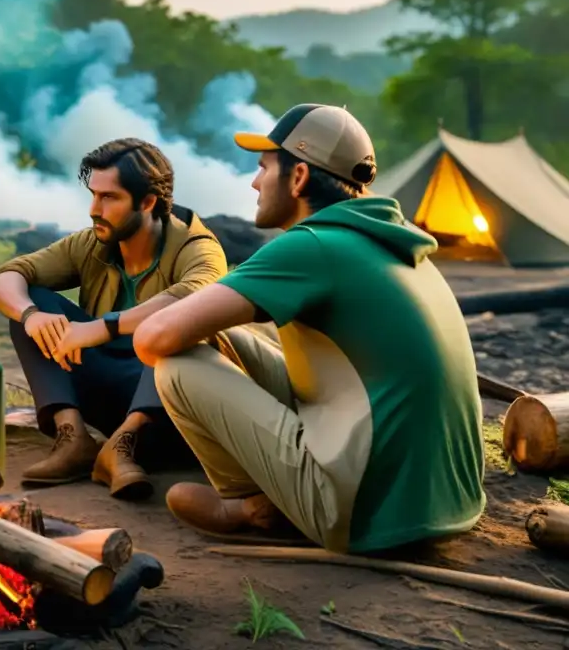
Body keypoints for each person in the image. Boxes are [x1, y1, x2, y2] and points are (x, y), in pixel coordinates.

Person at [134, 103, 486, 554]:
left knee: (175, 365)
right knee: (226, 337)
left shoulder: (310, 246)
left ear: (298, 177)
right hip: (438, 502)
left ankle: (256, 505)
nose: (255, 182)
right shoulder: (391, 244)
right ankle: (280, 492)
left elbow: (151, 339)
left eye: (263, 168)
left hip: (364, 518)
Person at [0, 138, 235, 500]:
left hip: (171, 416)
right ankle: (73, 439)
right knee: (35, 303)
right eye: (93, 195)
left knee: (178, 327)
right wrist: (30, 315)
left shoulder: (197, 248)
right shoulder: (94, 243)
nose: (93, 209)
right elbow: (8, 274)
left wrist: (102, 328)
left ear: (148, 202)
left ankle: (123, 446)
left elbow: (197, 296)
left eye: (109, 198)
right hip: (108, 396)